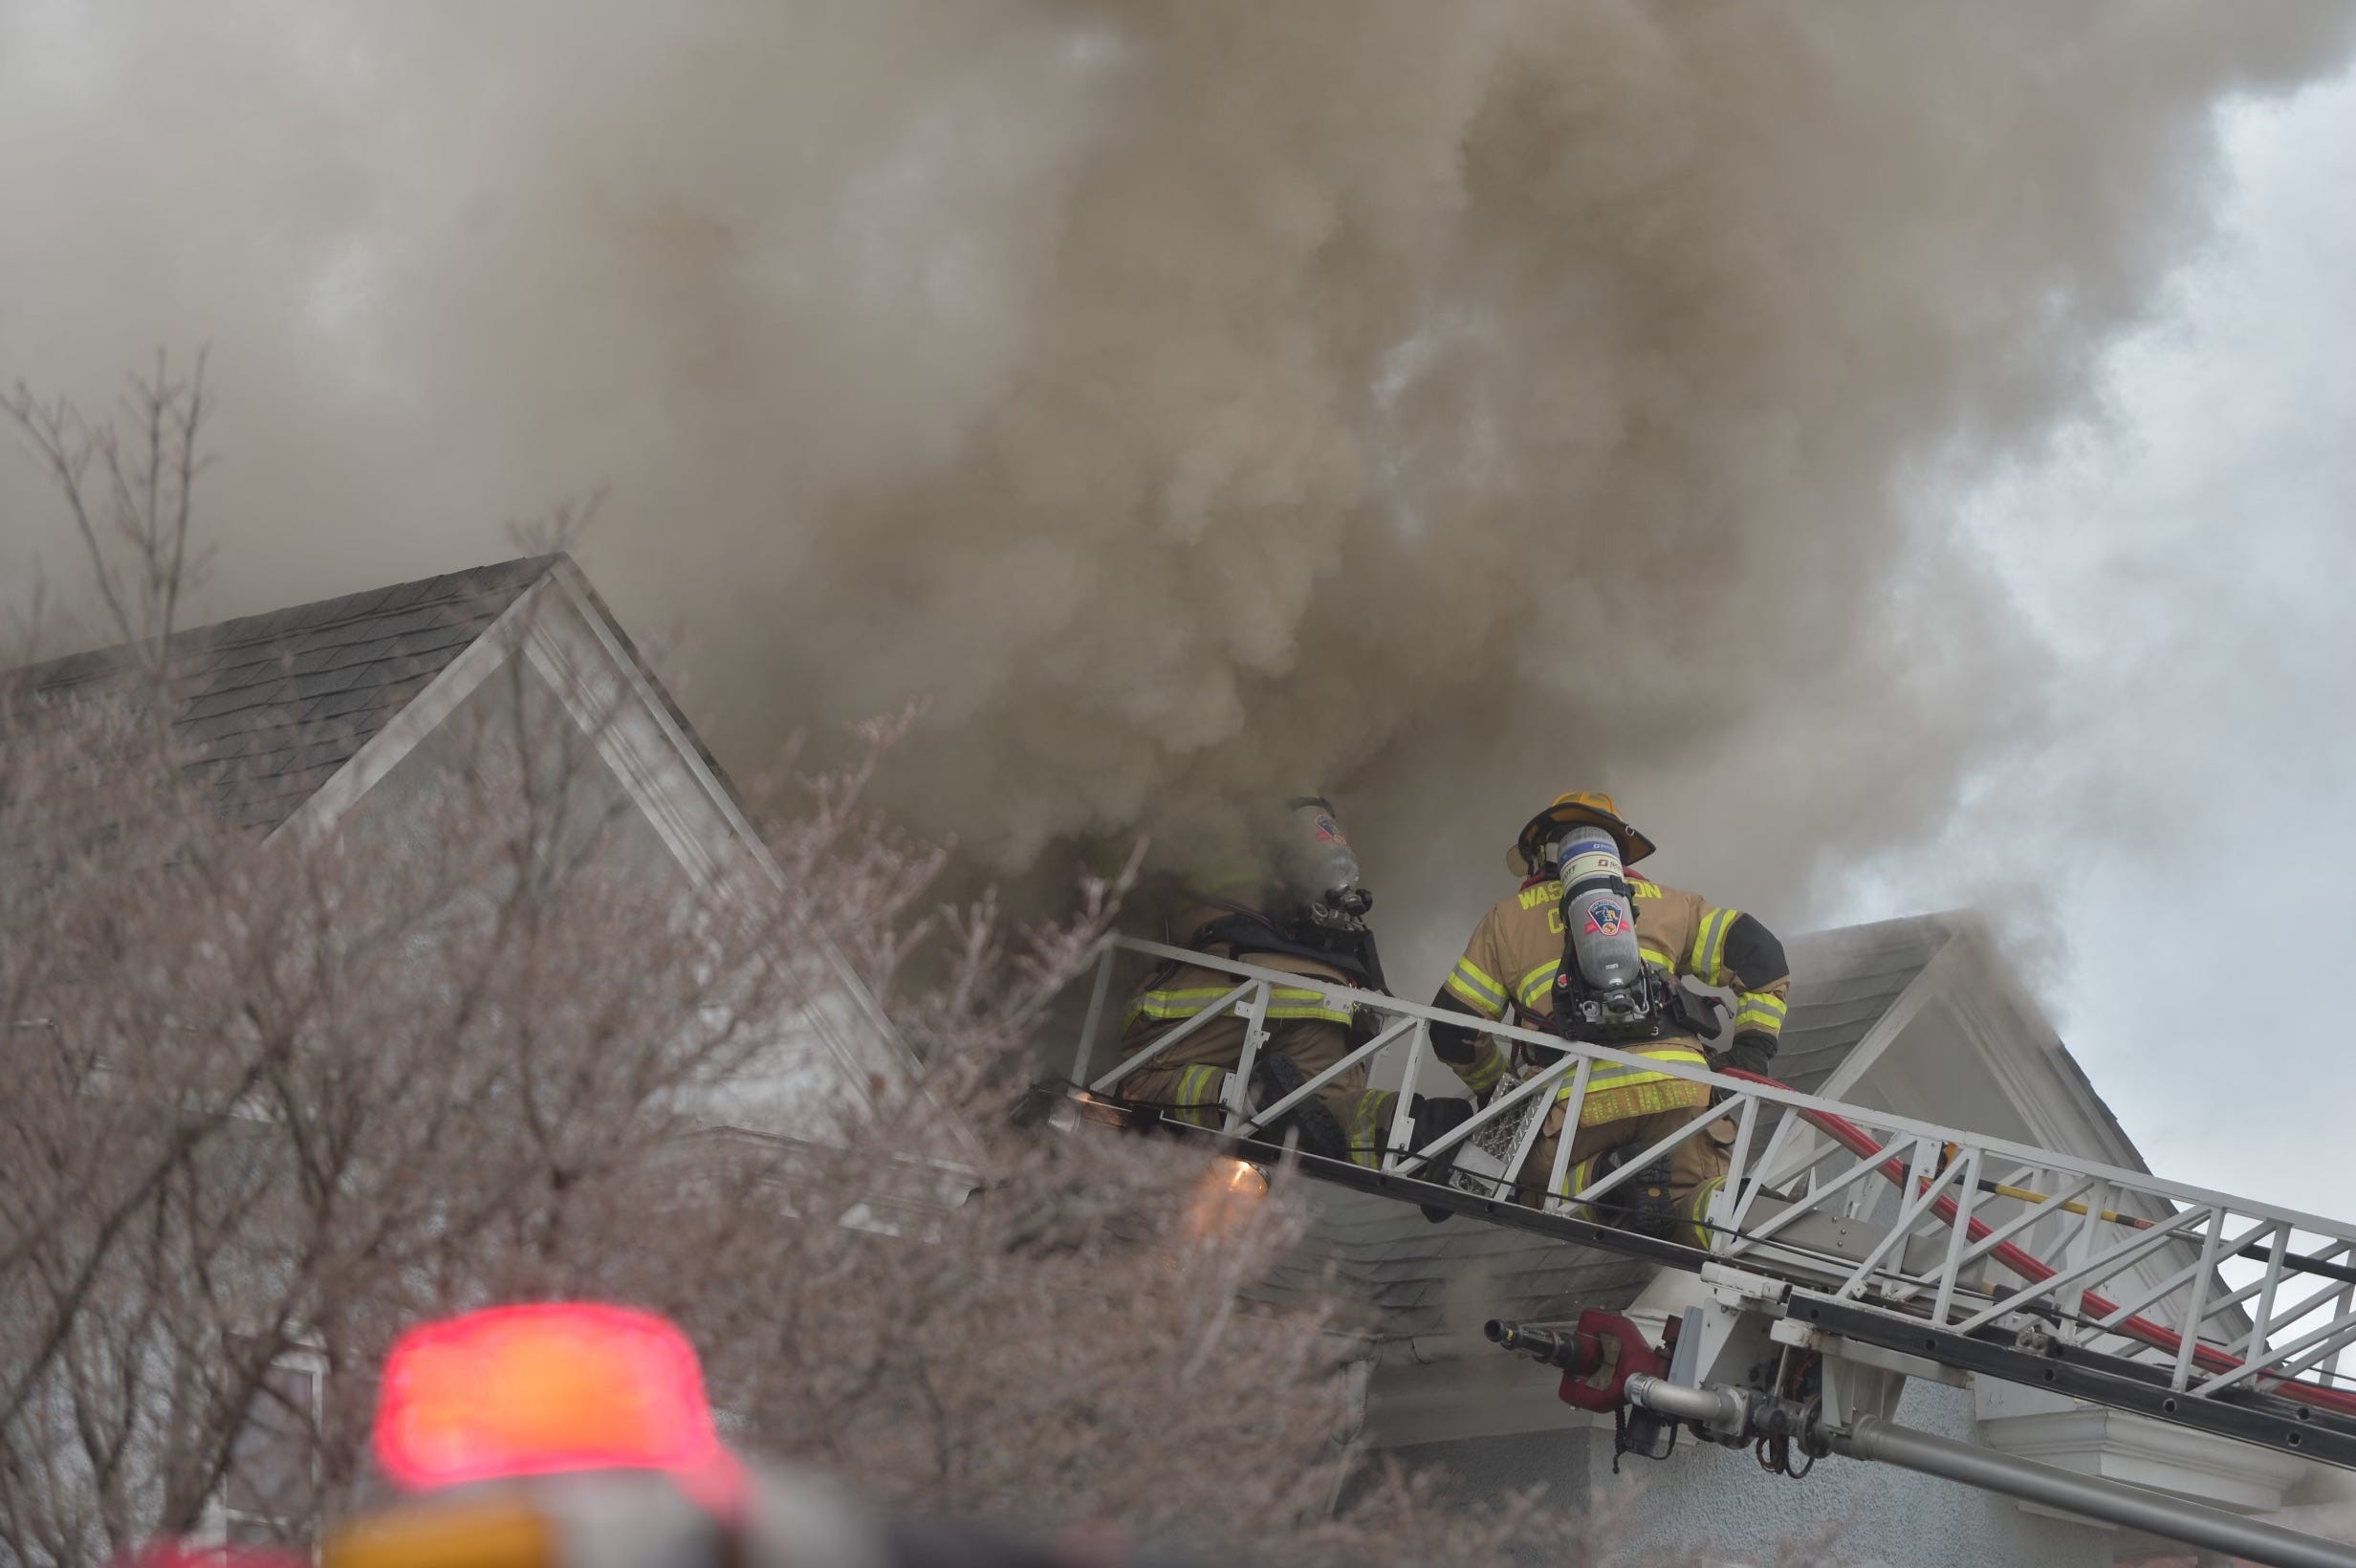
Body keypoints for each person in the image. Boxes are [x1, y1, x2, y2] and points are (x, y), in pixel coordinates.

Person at [1424, 792, 1791, 1245]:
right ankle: (1752, 1218)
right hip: (1681, 1091)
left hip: (1571, 1109)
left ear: (1544, 852)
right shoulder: (1673, 905)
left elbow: (1452, 1028)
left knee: (1523, 1186)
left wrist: (1494, 1096)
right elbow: (1762, 956)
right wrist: (1753, 1050)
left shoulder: (1507, 920)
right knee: (1694, 1199)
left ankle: (1612, 1178)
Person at [1109, 796, 1434, 1166]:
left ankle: (1254, 1098)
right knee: (1332, 1109)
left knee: (1139, 1079)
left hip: (1235, 980)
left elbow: (1116, 870)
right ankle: (1419, 1127)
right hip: (1328, 1000)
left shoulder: (1203, 824)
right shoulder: (1316, 856)